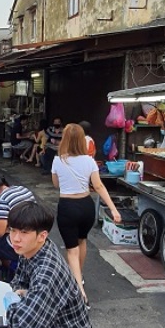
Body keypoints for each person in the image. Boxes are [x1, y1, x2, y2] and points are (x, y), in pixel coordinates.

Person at [4, 202, 91, 328]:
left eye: (24, 232)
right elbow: (18, 282)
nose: (15, 238)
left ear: (42, 236)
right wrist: (23, 296)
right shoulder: (30, 249)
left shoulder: (46, 273)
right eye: (12, 230)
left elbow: (22, 325)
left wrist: (11, 303)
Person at [52, 123, 121, 306]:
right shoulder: (89, 161)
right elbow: (98, 186)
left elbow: (56, 185)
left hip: (67, 207)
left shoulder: (58, 160)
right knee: (82, 240)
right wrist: (113, 209)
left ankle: (80, 294)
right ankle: (78, 276)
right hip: (86, 206)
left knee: (71, 251)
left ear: (65, 139)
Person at [0, 174, 36, 279]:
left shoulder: (2, 199)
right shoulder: (22, 189)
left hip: (19, 242)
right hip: (34, 235)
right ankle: (6, 268)